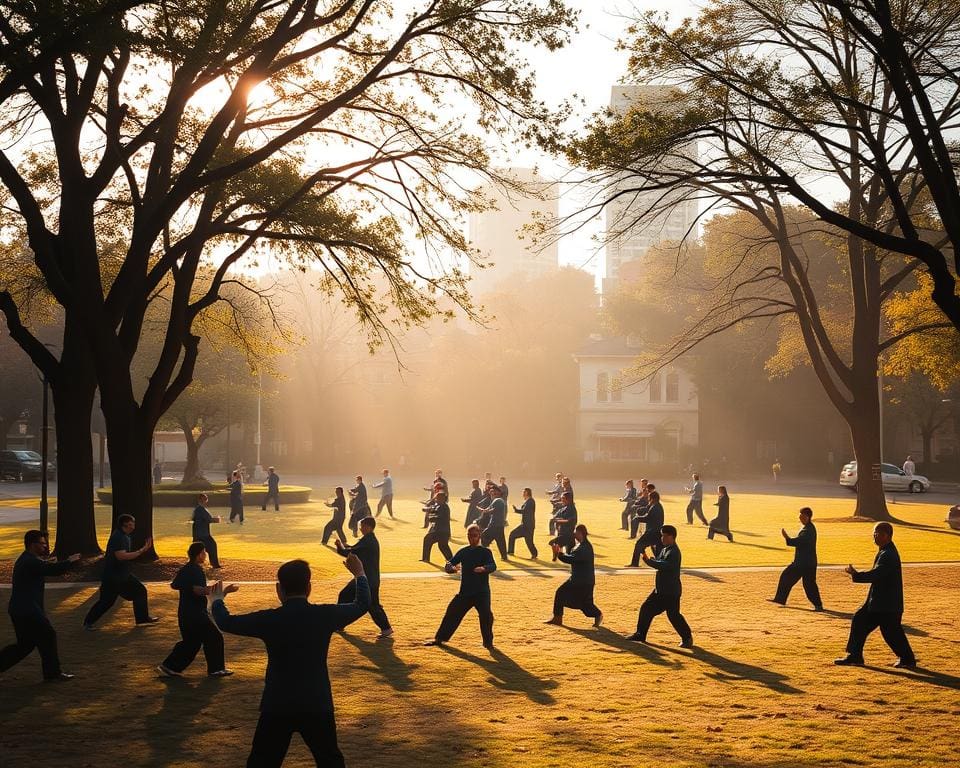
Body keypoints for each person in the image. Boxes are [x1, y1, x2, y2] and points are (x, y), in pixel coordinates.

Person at [212, 554, 370, 767]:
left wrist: (217, 600)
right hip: (316, 702)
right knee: (329, 760)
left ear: (279, 590)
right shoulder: (324, 615)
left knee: (262, 761)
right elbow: (362, 604)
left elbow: (226, 622)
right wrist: (359, 574)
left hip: (278, 703)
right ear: (309, 588)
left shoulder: (270, 619)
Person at [0, 530, 80, 681]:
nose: (45, 546)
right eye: (42, 543)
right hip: (28, 609)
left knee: (25, 645)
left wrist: (52, 563)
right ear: (32, 545)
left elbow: (43, 567)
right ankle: (53, 674)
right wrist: (70, 561)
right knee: (48, 635)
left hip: (19, 609)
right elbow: (51, 570)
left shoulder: (27, 559)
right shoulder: (30, 561)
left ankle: (51, 673)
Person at [835, 522, 916, 668]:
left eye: (879, 534)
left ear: (888, 536)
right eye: (874, 533)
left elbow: (877, 574)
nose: (875, 536)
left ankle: (907, 659)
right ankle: (855, 656)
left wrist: (856, 575)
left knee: (891, 632)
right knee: (860, 621)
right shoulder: (885, 551)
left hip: (887, 604)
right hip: (880, 602)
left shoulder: (888, 554)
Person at [158, 542, 233, 678]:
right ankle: (216, 669)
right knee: (214, 637)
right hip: (196, 614)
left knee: (191, 642)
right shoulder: (196, 570)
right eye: (204, 552)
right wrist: (220, 590)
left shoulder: (186, 569)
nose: (205, 555)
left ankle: (169, 666)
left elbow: (174, 585)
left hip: (185, 613)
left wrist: (191, 588)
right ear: (199, 555)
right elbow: (200, 591)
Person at [424, 524, 497, 648]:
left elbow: (493, 566)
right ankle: (439, 639)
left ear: (479, 536)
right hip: (465, 592)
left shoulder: (485, 552)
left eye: (474, 536)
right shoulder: (464, 551)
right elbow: (449, 564)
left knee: (486, 616)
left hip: (481, 593)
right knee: (452, 613)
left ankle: (488, 643)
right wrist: (451, 568)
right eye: (469, 536)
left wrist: (483, 568)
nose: (472, 538)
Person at [83, 515, 160, 629]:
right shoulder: (119, 537)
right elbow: (121, 556)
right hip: (115, 577)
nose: (134, 525)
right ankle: (88, 622)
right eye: (132, 523)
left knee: (140, 591)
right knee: (107, 602)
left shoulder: (124, 536)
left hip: (121, 574)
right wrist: (142, 550)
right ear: (127, 524)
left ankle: (142, 618)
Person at [627, 525, 693, 647]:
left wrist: (649, 561)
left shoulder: (674, 552)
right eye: (662, 535)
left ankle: (687, 638)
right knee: (647, 609)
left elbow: (663, 565)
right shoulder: (665, 549)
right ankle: (640, 634)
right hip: (662, 590)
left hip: (669, 592)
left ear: (672, 537)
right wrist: (650, 558)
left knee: (673, 615)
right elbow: (659, 562)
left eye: (664, 536)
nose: (662, 538)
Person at [335, 517, 392, 638]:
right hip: (367, 577)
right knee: (349, 596)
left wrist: (341, 548)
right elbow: (354, 550)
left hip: (367, 579)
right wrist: (342, 548)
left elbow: (351, 552)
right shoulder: (368, 539)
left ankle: (386, 628)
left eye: (362, 526)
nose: (360, 528)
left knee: (371, 604)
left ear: (368, 527)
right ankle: (340, 623)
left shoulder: (369, 540)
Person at [545, 524, 602, 627]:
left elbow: (572, 559)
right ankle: (557, 618)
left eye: (576, 532)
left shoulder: (585, 547)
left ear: (580, 533)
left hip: (584, 582)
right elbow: (571, 557)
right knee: (560, 593)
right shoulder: (579, 545)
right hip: (576, 579)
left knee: (586, 605)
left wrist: (559, 554)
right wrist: (559, 553)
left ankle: (598, 615)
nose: (574, 534)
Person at [771, 507, 822, 609]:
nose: (800, 518)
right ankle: (780, 599)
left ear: (808, 517)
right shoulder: (807, 528)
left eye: (802, 516)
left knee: (807, 584)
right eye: (800, 516)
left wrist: (787, 538)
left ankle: (818, 605)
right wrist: (788, 539)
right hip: (805, 562)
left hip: (804, 563)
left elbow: (800, 541)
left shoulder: (809, 530)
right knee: (791, 578)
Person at [626, 489, 664, 566]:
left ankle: (635, 563)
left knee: (639, 545)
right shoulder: (657, 506)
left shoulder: (655, 507)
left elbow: (647, 518)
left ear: (653, 499)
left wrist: (637, 518)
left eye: (649, 498)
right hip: (657, 531)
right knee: (657, 548)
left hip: (652, 532)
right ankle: (659, 562)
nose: (648, 500)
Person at [192, 493, 222, 569]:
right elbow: (209, 519)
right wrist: (217, 519)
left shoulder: (198, 509)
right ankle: (214, 564)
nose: (204, 501)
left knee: (198, 549)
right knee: (212, 546)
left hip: (198, 533)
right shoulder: (201, 509)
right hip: (203, 534)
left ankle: (196, 563)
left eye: (205, 499)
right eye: (203, 499)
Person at [422, 491, 453, 563]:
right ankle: (452, 561)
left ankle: (426, 559)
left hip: (441, 531)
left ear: (442, 499)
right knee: (443, 546)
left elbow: (438, 516)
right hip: (441, 531)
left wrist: (430, 517)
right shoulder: (441, 506)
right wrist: (427, 509)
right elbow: (434, 509)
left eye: (437, 499)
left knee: (430, 540)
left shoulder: (444, 507)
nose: (435, 500)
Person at [480, 483, 508, 560]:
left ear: (498, 492)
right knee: (500, 541)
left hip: (494, 525)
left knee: (483, 535)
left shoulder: (498, 500)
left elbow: (492, 510)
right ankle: (504, 556)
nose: (492, 493)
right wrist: (483, 510)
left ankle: (484, 552)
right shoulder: (495, 500)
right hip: (499, 525)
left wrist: (485, 511)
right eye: (491, 491)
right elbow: (488, 509)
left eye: (493, 492)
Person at [507, 487, 538, 558]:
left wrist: (516, 510)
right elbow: (524, 510)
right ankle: (511, 551)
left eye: (524, 492)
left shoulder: (530, 501)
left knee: (528, 541)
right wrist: (516, 510)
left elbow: (524, 511)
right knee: (513, 535)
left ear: (527, 493)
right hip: (526, 525)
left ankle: (534, 554)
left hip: (527, 526)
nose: (523, 494)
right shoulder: (529, 501)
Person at [549, 490, 577, 560]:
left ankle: (556, 556)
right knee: (569, 554)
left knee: (569, 554)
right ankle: (557, 556)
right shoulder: (563, 508)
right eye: (561, 498)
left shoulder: (572, 509)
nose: (562, 500)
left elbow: (569, 520)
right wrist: (555, 519)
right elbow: (557, 515)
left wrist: (557, 520)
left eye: (563, 498)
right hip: (562, 533)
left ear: (569, 499)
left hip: (568, 534)